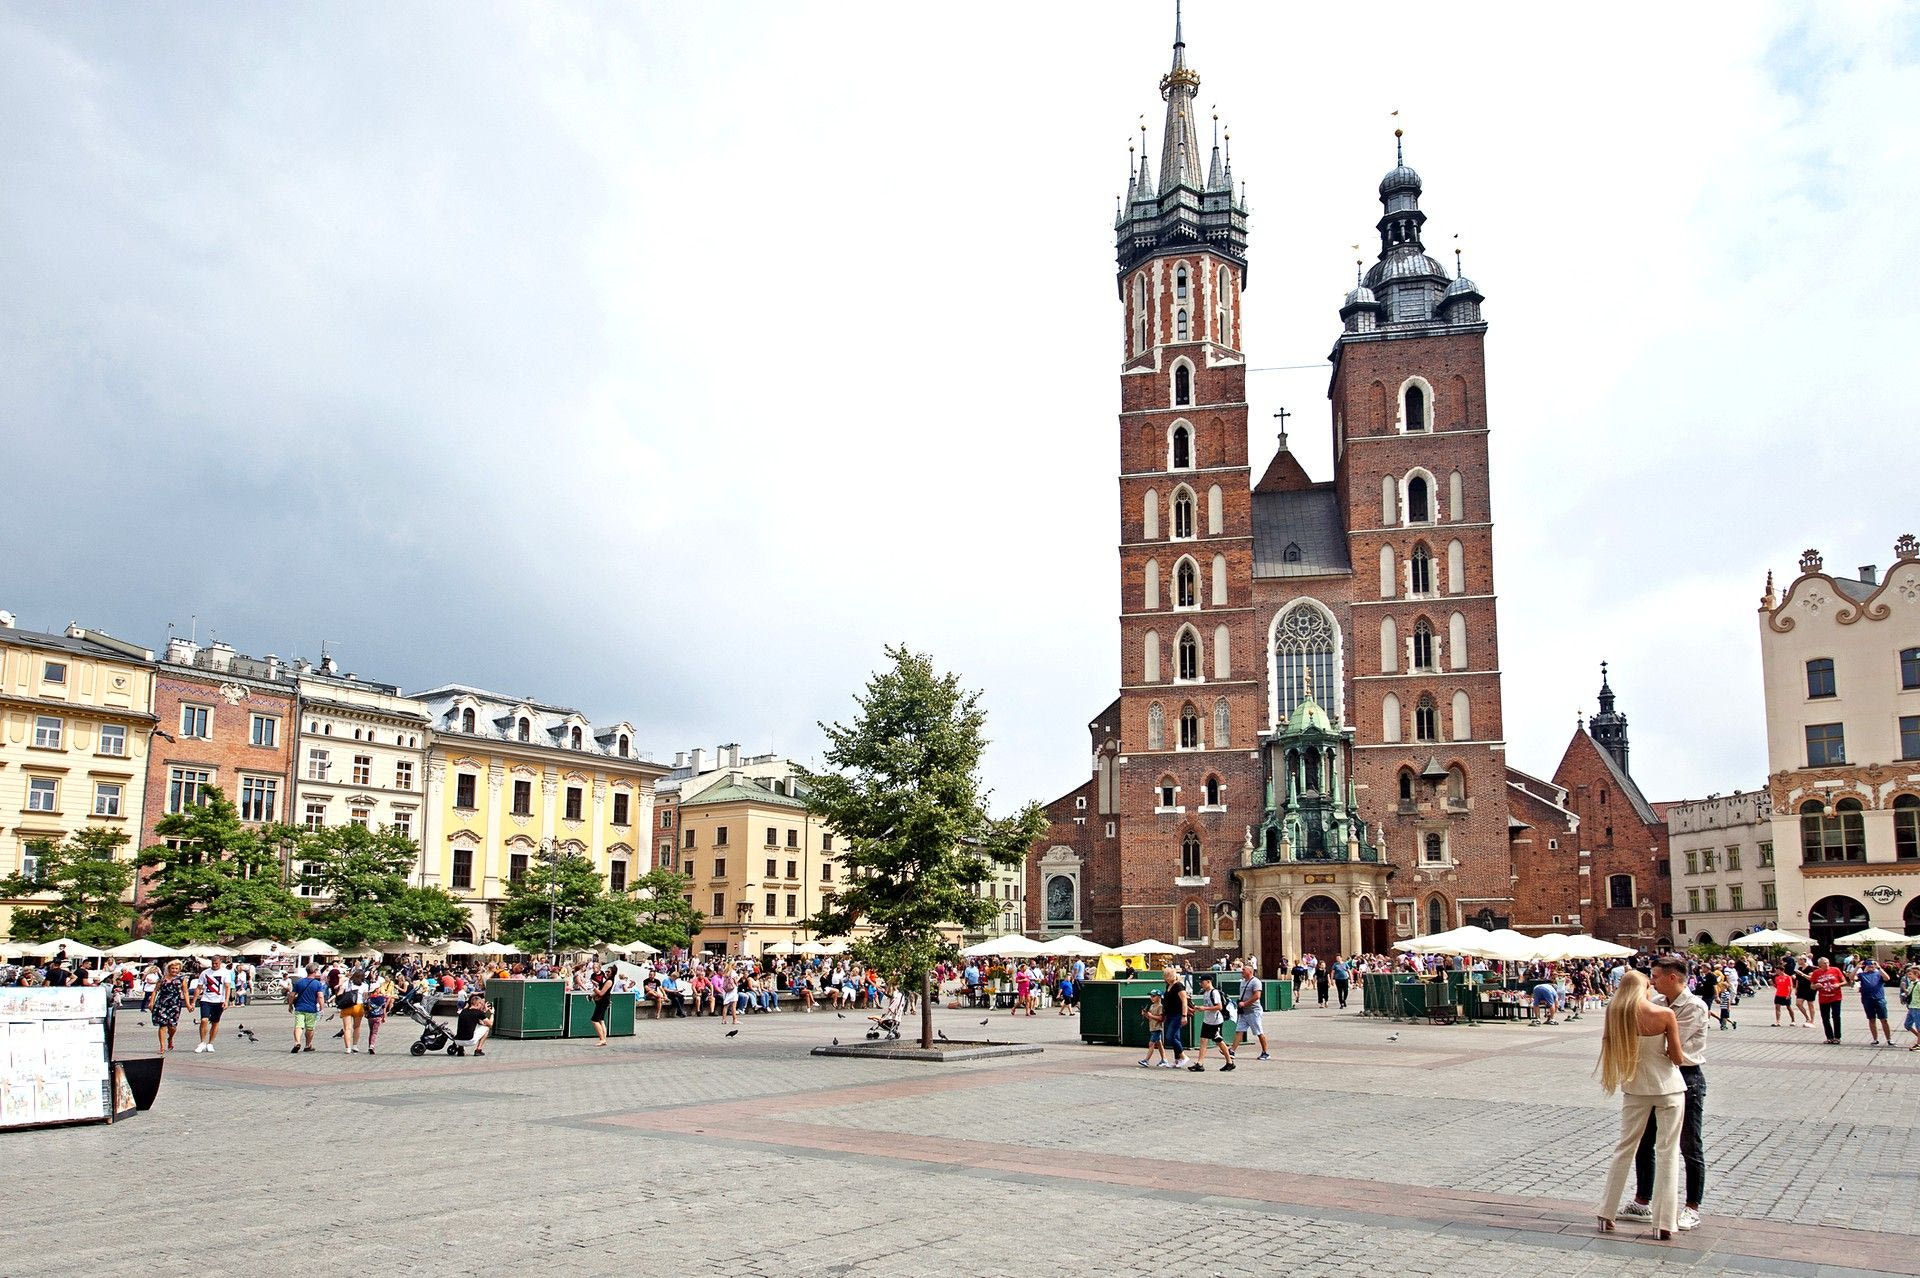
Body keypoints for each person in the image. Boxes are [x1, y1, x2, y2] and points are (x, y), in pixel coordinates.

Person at [1594, 970, 1685, 1241]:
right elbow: (1678, 1058)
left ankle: (1606, 1212)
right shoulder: (1664, 1014)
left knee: (1625, 1148)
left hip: (1634, 1087)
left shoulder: (1616, 1013)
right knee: (1668, 1152)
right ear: (1645, 986)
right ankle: (1663, 1222)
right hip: (1668, 1087)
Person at [1621, 955, 1708, 1232]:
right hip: (1655, 1076)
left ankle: (1692, 1207)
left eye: (1656, 976)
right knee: (1645, 1140)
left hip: (1686, 1077)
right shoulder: (1658, 1004)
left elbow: (1671, 1046)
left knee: (1689, 1144)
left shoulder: (1694, 1006)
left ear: (1673, 978)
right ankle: (1642, 1201)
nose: (1652, 981)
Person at [1190, 974, 1231, 1072]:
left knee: (1219, 1041)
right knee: (1203, 1041)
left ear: (1208, 981)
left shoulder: (1214, 992)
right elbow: (1208, 1006)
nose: (1201, 984)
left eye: (1202, 982)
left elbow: (1219, 1007)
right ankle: (1200, 1063)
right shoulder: (1206, 993)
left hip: (1215, 1021)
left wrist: (1204, 1008)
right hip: (1207, 1020)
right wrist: (1199, 1008)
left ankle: (1229, 1062)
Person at [193, 955, 231, 1053]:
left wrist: (226, 1001)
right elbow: (199, 987)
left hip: (219, 1000)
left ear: (220, 963)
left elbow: (227, 987)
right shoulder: (205, 973)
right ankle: (202, 1042)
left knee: (215, 1022)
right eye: (213, 963)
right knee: (204, 1020)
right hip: (206, 999)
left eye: (216, 963)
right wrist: (193, 1001)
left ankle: (210, 1043)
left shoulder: (225, 972)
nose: (214, 965)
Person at [1235, 960, 1271, 1061]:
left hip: (1253, 1011)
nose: (1242, 971)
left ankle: (1265, 1052)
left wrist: (1245, 1003)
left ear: (1250, 972)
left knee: (1259, 1032)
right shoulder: (1243, 981)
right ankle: (1232, 1050)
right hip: (1244, 1011)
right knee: (1239, 1030)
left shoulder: (1256, 982)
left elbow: (1257, 996)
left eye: (1244, 970)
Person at [288, 962, 327, 1053]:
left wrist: (290, 1005)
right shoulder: (317, 984)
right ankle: (308, 1045)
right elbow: (320, 996)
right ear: (315, 971)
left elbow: (292, 995)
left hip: (299, 1008)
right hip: (311, 1009)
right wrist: (322, 1008)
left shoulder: (299, 982)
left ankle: (297, 1042)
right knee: (310, 1027)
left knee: (298, 1026)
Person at [150, 959, 187, 1053]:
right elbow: (155, 990)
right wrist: (151, 1002)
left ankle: (170, 1038)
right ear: (169, 969)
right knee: (162, 1025)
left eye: (176, 969)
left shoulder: (182, 979)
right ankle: (162, 1047)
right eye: (172, 968)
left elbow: (185, 992)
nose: (174, 970)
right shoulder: (162, 979)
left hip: (175, 1004)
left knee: (172, 1026)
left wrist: (188, 1004)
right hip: (162, 1003)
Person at [1810, 956, 1847, 1043]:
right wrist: (1816, 986)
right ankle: (1829, 1037)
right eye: (1824, 963)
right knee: (1825, 1018)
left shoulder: (1835, 970)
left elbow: (1845, 981)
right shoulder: (1816, 973)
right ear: (1819, 965)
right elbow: (1812, 986)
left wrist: (1839, 984)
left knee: (1836, 1016)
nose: (1826, 964)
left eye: (1827, 962)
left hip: (1836, 997)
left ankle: (1837, 1037)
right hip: (1824, 998)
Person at [1856, 959, 1892, 1046]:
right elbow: (1851, 977)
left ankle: (1889, 1039)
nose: (1871, 967)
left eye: (1872, 965)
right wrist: (1857, 967)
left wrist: (1879, 968)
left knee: (1884, 1019)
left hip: (1879, 999)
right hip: (1867, 999)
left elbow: (1887, 978)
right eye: (1869, 965)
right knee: (1872, 1019)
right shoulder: (1862, 975)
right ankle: (1875, 1039)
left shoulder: (1878, 974)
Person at [1161, 968, 1191, 1068]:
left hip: (1177, 1014)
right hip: (1170, 1014)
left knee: (1170, 1036)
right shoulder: (1168, 985)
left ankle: (1183, 1056)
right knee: (1176, 1037)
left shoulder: (1178, 986)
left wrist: (1184, 1015)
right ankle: (1177, 1060)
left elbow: (1184, 1001)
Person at [363, 969, 395, 1055]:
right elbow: (384, 1008)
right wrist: (384, 1017)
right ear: (377, 990)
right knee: (375, 1032)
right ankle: (372, 1046)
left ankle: (370, 1045)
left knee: (371, 1031)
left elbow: (365, 1007)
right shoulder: (381, 998)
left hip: (370, 1017)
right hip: (378, 1017)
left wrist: (366, 1014)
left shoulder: (369, 999)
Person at [1139, 991, 1169, 1068]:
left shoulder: (1160, 1006)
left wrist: (1150, 1015)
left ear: (1159, 997)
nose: (1151, 998)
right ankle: (1164, 1060)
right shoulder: (1152, 1006)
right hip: (1152, 1028)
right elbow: (1149, 1017)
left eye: (1153, 996)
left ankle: (1146, 1060)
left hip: (1157, 1028)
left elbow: (1161, 1018)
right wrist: (1145, 1014)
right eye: (1151, 996)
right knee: (1159, 1044)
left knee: (1151, 1043)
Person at [1793, 963, 1818, 1028]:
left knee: (1810, 1004)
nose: (1798, 962)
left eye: (1800, 960)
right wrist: (1796, 988)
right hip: (1801, 988)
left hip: (1810, 988)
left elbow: (1811, 978)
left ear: (1804, 961)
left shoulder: (1810, 968)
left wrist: (1802, 974)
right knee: (1798, 1003)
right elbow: (1797, 980)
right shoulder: (1799, 969)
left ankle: (1812, 1020)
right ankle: (1807, 1017)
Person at [1901, 963, 1920, 1050]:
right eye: (1908, 974)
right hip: (1911, 1007)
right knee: (1907, 1025)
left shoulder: (1919, 984)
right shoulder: (1912, 983)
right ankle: (1918, 1038)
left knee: (1919, 1026)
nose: (1908, 976)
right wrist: (1904, 990)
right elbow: (1908, 993)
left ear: (1916, 974)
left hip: (1917, 1007)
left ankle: (1918, 1044)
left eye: (1910, 974)